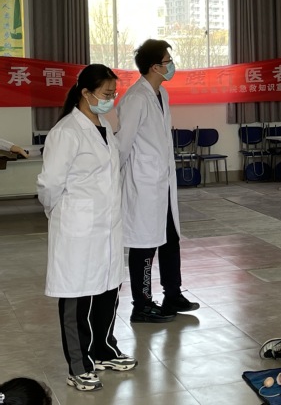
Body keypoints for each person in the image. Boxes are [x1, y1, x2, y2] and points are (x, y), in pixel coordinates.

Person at [36, 64, 136, 392]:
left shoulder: (103, 126)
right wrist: (60, 212)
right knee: (77, 295)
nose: (111, 99)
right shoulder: (66, 131)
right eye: (106, 93)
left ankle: (103, 349)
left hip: (107, 225)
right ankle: (78, 366)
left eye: (113, 93)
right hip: (77, 227)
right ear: (86, 93)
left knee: (107, 289)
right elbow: (50, 184)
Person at [116, 39, 197, 323]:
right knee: (144, 244)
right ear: (154, 67)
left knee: (170, 238)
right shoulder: (136, 98)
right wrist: (114, 179)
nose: (171, 65)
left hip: (162, 182)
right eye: (167, 61)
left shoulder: (160, 94)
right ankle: (142, 304)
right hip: (144, 184)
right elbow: (122, 144)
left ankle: (172, 293)